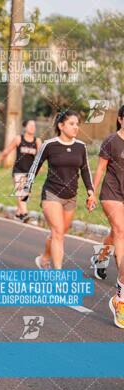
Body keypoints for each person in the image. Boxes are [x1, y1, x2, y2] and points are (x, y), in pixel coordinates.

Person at [23, 110, 96, 270]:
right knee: (57, 232)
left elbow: (85, 170)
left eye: (77, 124)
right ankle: (58, 274)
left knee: (59, 233)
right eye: (72, 124)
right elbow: (35, 166)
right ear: (61, 126)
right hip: (51, 194)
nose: (76, 127)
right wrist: (27, 187)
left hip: (71, 196)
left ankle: (44, 258)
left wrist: (91, 191)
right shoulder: (49, 145)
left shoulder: (80, 146)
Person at [91, 105, 124, 327]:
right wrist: (92, 193)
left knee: (115, 232)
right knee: (121, 230)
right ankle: (121, 292)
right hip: (111, 194)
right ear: (121, 119)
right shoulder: (111, 141)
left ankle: (100, 258)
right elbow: (101, 169)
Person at [0, 119, 42, 222]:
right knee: (20, 192)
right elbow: (7, 151)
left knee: (26, 194)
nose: (32, 127)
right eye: (30, 125)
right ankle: (25, 214)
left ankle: (18, 214)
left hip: (30, 172)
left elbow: (40, 157)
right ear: (25, 127)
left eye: (34, 125)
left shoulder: (37, 141)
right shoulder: (19, 139)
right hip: (18, 170)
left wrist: (40, 167)